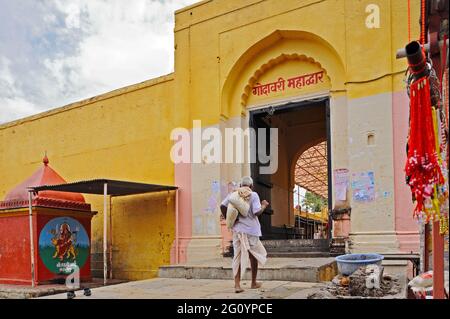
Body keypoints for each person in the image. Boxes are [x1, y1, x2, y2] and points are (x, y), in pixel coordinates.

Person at [220, 176, 269, 293]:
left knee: (237, 256)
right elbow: (257, 212)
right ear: (251, 186)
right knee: (254, 256)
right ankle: (253, 282)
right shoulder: (254, 195)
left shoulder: (234, 194)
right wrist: (264, 205)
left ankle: (237, 285)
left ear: (241, 185)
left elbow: (222, 206)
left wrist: (230, 219)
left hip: (238, 231)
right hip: (251, 231)